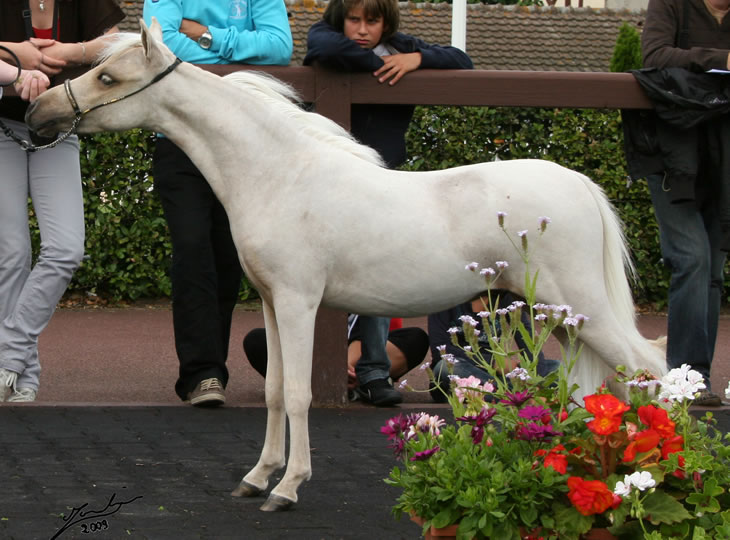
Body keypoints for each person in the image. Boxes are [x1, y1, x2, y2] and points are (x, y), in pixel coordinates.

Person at [303, 0, 473, 406]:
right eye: (354, 20)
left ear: (387, 23)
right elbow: (324, 49)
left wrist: (416, 58)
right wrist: (379, 60)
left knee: (376, 274)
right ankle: (324, 367)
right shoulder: (331, 38)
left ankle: (373, 373)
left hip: (382, 184)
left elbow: (461, 60)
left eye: (372, 22)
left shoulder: (402, 46)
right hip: (331, 185)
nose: (362, 30)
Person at [142, 1, 293, 407]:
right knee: (192, 248)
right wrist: (237, 58)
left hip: (243, 146)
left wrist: (205, 35)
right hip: (179, 142)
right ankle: (202, 374)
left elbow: (280, 47)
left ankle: (211, 368)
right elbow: (160, 47)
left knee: (229, 256)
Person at [0, 1, 124, 404]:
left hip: (58, 127)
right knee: (11, 252)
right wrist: (16, 55)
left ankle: (9, 354)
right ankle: (21, 373)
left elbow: (117, 47)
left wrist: (72, 52)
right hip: (1, 127)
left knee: (66, 248)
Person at [629, 0, 730, 406]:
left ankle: (695, 377)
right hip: (673, 155)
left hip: (722, 159)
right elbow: (654, 55)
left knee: (713, 269)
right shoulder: (670, 4)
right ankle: (685, 377)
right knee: (692, 258)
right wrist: (720, 59)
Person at [243, 316, 430, 400]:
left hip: (363, 353)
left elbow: (367, 333)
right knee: (256, 340)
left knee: (416, 338)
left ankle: (361, 379)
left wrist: (342, 366)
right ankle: (347, 382)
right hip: (313, 354)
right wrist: (330, 365)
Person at [427, 293, 560, 403]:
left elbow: (526, 337)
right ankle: (517, 397)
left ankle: (514, 394)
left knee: (557, 368)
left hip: (496, 375)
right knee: (443, 367)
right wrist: (495, 363)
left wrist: (536, 379)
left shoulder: (502, 296)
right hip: (462, 372)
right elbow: (440, 350)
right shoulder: (446, 298)